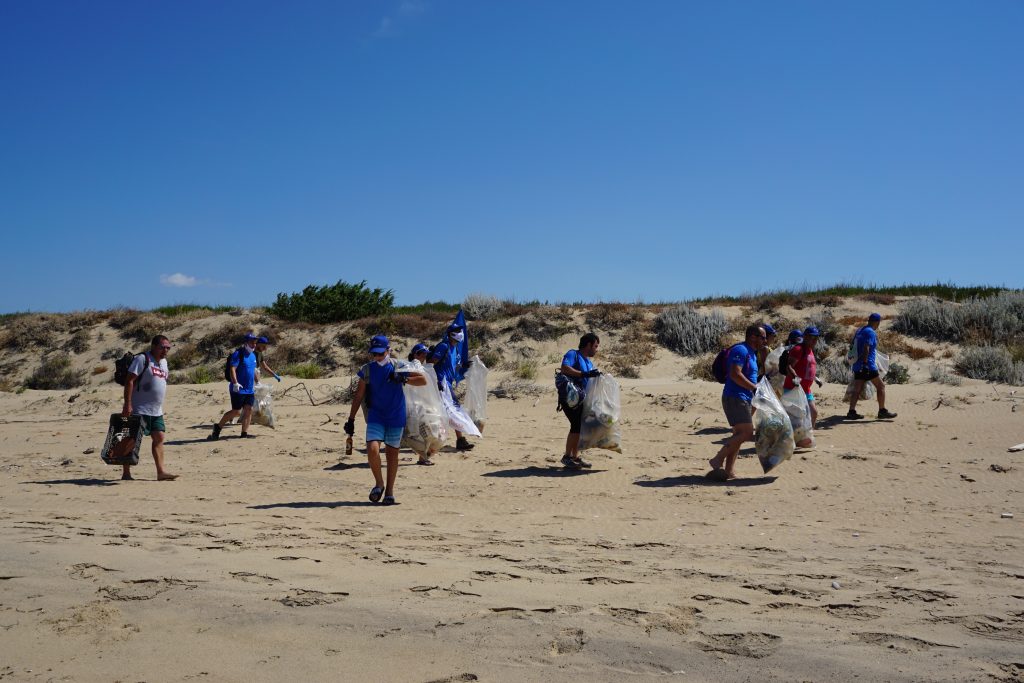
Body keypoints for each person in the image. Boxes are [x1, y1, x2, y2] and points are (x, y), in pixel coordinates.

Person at [343, 335, 427, 505]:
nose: (377, 357)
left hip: (396, 416)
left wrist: (404, 378)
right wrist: (351, 419)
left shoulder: (399, 366)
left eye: (380, 353)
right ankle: (379, 484)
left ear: (388, 350)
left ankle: (389, 491)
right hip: (376, 416)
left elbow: (422, 380)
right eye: (374, 354)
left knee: (392, 455)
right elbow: (358, 396)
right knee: (372, 450)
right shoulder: (367, 369)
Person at [117, 335, 178, 481]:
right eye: (162, 347)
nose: (165, 350)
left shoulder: (164, 363)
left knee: (159, 437)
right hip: (139, 408)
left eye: (168, 348)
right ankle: (126, 473)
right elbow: (129, 381)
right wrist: (128, 403)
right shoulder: (143, 359)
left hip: (156, 410)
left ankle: (161, 472)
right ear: (153, 346)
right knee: (132, 439)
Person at [708, 325, 765, 480]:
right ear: (753, 337)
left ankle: (729, 471)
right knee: (747, 432)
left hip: (744, 398)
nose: (764, 341)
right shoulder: (741, 350)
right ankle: (718, 458)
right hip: (735, 397)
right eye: (762, 337)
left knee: (739, 435)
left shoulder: (752, 354)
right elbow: (734, 374)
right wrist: (754, 388)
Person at [558, 333, 601, 470]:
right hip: (570, 398)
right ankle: (567, 457)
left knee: (580, 428)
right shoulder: (573, 354)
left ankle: (575, 457)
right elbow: (564, 368)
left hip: (582, 399)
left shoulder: (588, 362)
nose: (596, 349)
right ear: (588, 345)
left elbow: (589, 379)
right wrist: (584, 374)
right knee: (576, 426)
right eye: (595, 346)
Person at [208, 333, 259, 440]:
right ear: (246, 343)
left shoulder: (254, 355)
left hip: (249, 389)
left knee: (248, 409)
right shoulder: (238, 354)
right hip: (238, 388)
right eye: (251, 342)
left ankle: (244, 434)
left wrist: (257, 382)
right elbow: (232, 369)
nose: (254, 345)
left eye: (255, 342)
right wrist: (235, 382)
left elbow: (252, 370)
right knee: (236, 411)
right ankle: (217, 427)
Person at [848, 313, 898, 420]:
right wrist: (865, 364)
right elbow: (866, 347)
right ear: (877, 322)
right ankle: (882, 411)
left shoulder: (859, 330)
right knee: (881, 386)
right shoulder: (870, 332)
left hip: (857, 364)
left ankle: (851, 411)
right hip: (868, 365)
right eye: (879, 322)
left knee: (857, 389)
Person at [434, 323, 475, 451]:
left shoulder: (455, 348)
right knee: (453, 410)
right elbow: (431, 363)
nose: (460, 333)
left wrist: (464, 366)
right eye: (457, 331)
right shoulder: (443, 346)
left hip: (447, 384)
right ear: (451, 333)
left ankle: (458, 440)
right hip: (441, 384)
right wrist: (436, 381)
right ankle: (458, 440)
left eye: (460, 330)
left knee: (449, 411)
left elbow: (454, 366)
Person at [784, 326, 822, 432]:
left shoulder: (809, 350)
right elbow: (789, 366)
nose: (815, 340)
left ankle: (808, 435)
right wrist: (795, 378)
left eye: (816, 338)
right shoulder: (798, 349)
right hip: (793, 389)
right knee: (795, 418)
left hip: (806, 390)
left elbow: (807, 368)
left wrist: (815, 378)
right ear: (805, 337)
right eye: (812, 337)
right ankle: (790, 440)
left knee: (813, 412)